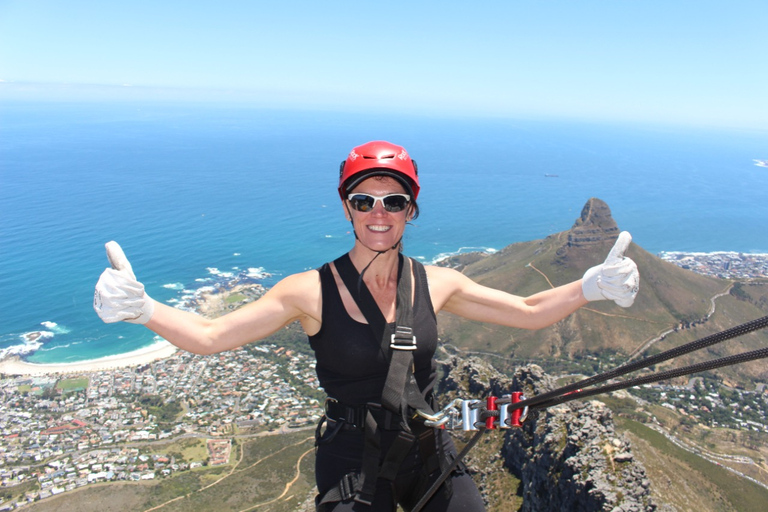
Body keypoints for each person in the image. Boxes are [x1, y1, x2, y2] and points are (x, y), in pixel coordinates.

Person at [94, 140, 639, 511]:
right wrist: (142, 310)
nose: (379, 213)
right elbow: (209, 339)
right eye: (364, 200)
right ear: (347, 208)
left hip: (429, 446)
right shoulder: (306, 291)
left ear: (410, 210)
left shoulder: (438, 282)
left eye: (394, 201)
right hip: (352, 456)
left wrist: (591, 287)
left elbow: (527, 313)